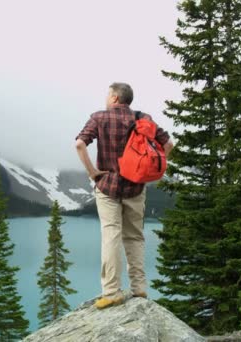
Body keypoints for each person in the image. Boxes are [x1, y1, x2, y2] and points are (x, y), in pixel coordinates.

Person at [74, 82, 173, 309]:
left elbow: (80, 144)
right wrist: (147, 172)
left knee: (111, 235)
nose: (106, 98)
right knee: (135, 237)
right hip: (135, 188)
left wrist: (93, 173)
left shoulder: (99, 118)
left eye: (108, 94)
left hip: (107, 186)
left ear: (116, 98)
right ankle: (139, 289)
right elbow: (167, 144)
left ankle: (111, 292)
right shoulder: (143, 118)